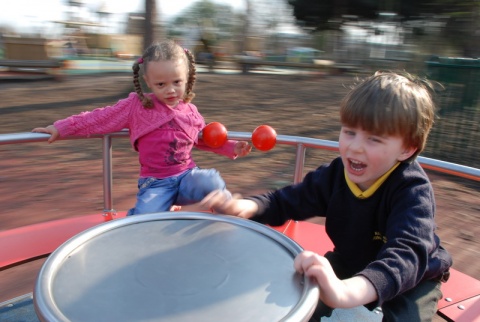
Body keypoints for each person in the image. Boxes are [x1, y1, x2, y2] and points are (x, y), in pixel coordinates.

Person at [201, 71, 452, 321]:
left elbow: (406, 255)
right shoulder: (335, 175)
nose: (354, 146)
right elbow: (290, 199)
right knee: (301, 295)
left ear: (406, 148)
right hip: (350, 261)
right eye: (349, 132)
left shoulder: (412, 190)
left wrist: (346, 291)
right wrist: (248, 207)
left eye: (374, 139)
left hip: (413, 277)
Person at [33, 39, 251, 215]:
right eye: (161, 84)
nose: (170, 90)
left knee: (211, 180)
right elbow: (98, 118)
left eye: (177, 82)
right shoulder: (137, 106)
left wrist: (231, 147)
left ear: (187, 79)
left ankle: (231, 213)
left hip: (186, 177)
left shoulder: (190, 110)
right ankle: (141, 217)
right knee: (147, 219)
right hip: (155, 183)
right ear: (148, 81)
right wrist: (60, 127)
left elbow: (202, 139)